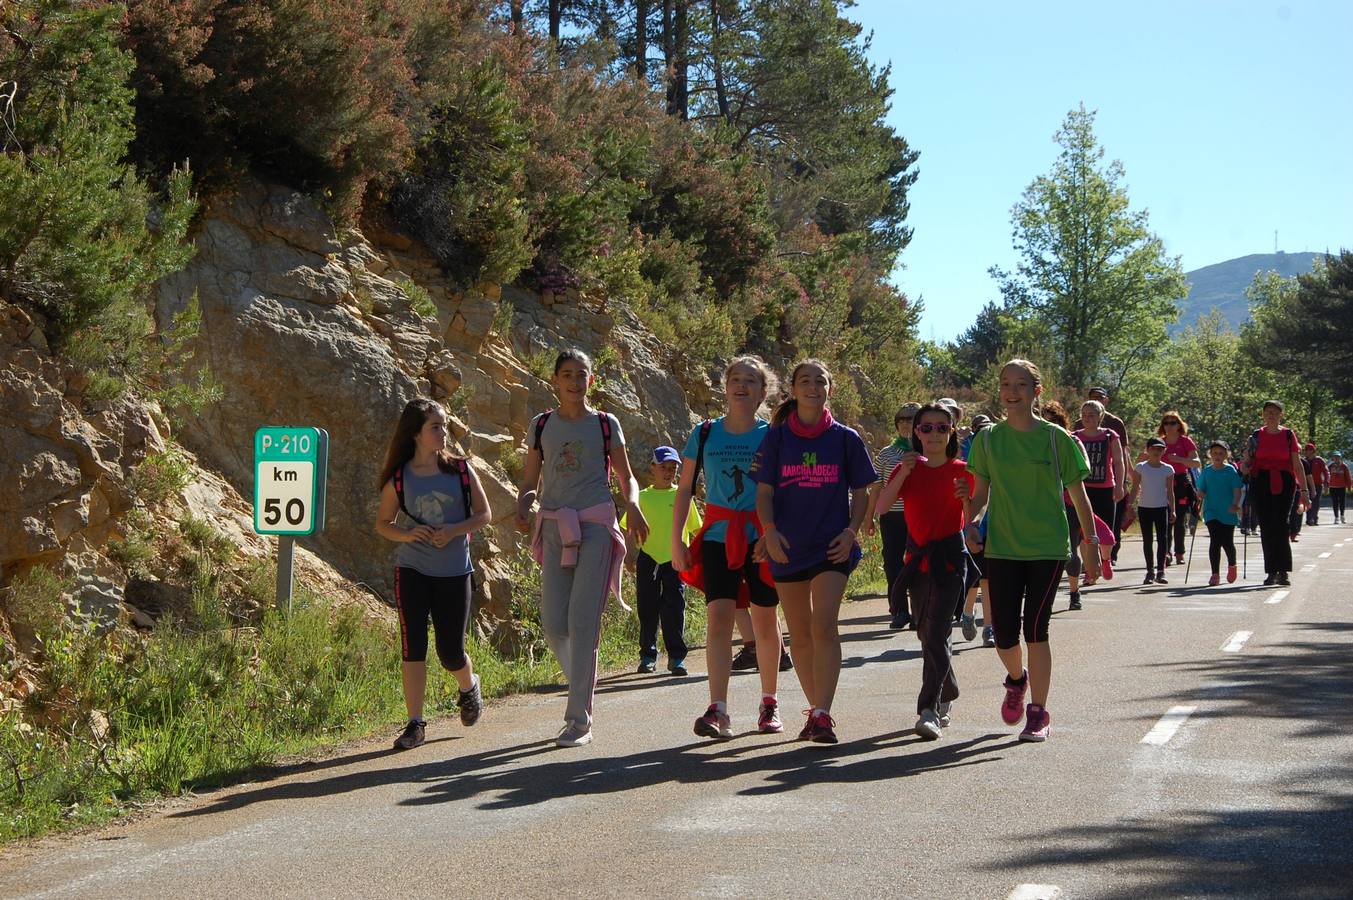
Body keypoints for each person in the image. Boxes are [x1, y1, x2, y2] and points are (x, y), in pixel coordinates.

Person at [516, 348, 648, 747]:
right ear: (555, 380)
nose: (575, 381)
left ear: (592, 381)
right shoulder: (541, 426)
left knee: (581, 622)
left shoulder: (606, 425)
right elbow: (529, 480)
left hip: (594, 527)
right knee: (554, 623)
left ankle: (579, 722)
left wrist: (634, 505)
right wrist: (524, 500)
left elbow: (627, 477)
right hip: (555, 526)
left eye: (582, 374)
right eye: (567, 374)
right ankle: (583, 683)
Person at [965, 359, 1100, 743]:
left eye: (1020, 384)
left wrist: (1090, 545)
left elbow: (1079, 497)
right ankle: (1016, 679)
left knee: (1036, 628)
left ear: (1036, 391)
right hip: (1002, 547)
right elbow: (979, 494)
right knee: (1004, 635)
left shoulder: (1057, 439)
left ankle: (1038, 712)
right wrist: (970, 523)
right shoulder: (988, 440)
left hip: (1047, 548)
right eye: (1006, 384)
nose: (1011, 391)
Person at [752, 359, 876, 745]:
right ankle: (816, 712)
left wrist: (851, 531)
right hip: (786, 546)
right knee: (800, 634)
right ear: (792, 390)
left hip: (830, 547)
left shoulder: (845, 438)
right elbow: (764, 493)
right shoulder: (776, 437)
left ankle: (822, 712)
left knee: (823, 625)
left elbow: (863, 491)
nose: (812, 387)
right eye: (804, 381)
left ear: (829, 390)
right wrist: (769, 532)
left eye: (819, 381)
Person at [674, 357, 788, 739]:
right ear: (725, 387)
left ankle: (769, 702)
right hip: (717, 536)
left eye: (751, 381)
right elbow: (685, 489)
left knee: (765, 622)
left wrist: (772, 534)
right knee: (719, 619)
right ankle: (717, 709)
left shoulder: (773, 434)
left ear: (763, 391)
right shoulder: (704, 433)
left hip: (760, 536)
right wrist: (677, 540)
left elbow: (783, 492)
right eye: (735, 379)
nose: (741, 385)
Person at [376, 399, 493, 750]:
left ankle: (468, 686)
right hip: (412, 568)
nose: (444, 433)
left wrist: (454, 530)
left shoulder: (459, 470)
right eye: (436, 427)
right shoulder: (399, 477)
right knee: (413, 647)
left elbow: (484, 514)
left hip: (455, 571)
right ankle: (414, 724)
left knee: (450, 652)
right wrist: (408, 534)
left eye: (444, 426)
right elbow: (383, 524)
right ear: (416, 434)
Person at [875, 402, 975, 740]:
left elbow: (975, 516)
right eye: (926, 427)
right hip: (917, 563)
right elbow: (881, 507)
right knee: (926, 633)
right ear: (915, 432)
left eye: (941, 427)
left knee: (935, 634)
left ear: (951, 432)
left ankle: (928, 709)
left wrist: (967, 499)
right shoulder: (908, 469)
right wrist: (902, 472)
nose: (934, 433)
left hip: (950, 561)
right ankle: (949, 690)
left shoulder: (964, 470)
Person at [623, 447, 700, 676]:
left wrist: (694, 557)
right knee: (647, 608)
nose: (669, 472)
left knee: (674, 608)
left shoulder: (682, 495)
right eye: (664, 467)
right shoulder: (642, 497)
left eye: (673, 468)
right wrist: (629, 554)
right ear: (652, 468)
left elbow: (695, 530)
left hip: (675, 560)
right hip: (649, 558)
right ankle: (648, 656)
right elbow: (629, 528)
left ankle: (676, 658)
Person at [865, 403, 920, 629]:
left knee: (918, 563)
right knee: (892, 563)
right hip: (892, 516)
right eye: (902, 419)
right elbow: (876, 488)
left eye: (912, 419)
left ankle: (919, 611)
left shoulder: (928, 451)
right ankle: (898, 610)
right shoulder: (886, 454)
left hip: (918, 515)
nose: (906, 423)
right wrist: (868, 518)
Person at [1241, 400, 1305, 586]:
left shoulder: (1287, 435)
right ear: (1263, 415)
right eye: (1268, 412)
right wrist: (1245, 466)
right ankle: (1271, 571)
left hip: (1284, 481)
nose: (1271, 415)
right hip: (1261, 481)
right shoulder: (1256, 435)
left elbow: (1296, 463)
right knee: (1266, 526)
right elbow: (1248, 460)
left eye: (1275, 412)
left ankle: (1283, 571)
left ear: (1280, 415)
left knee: (1280, 524)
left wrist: (1305, 490)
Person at [1042, 401, 1092, 610]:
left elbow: (1085, 466)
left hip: (1069, 503)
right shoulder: (1035, 440)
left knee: (1070, 549)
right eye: (1044, 418)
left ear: (1060, 420)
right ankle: (1045, 596)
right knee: (1044, 552)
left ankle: (1074, 592)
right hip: (1043, 502)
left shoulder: (1072, 440)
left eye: (1051, 419)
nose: (1047, 423)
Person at [1073, 400, 1126, 574]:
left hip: (1105, 489)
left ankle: (1105, 559)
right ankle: (1089, 570)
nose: (1087, 418)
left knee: (1105, 531)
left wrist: (1119, 486)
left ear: (1100, 417)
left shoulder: (1110, 435)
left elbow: (1118, 462)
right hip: (1082, 489)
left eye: (1091, 415)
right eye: (1084, 415)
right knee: (1083, 531)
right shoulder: (1074, 437)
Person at [1143, 412, 1201, 566]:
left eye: (1173, 422)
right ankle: (1165, 553)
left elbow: (1196, 463)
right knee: (1165, 519)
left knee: (1179, 518)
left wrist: (1180, 459)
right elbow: (1142, 459)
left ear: (1179, 425)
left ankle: (1179, 552)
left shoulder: (1185, 441)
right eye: (1166, 423)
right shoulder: (1158, 442)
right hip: (1160, 483)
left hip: (1181, 482)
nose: (1169, 426)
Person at [1087, 387, 1130, 562]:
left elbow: (1123, 455)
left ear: (1106, 400)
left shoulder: (1115, 424)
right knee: (1086, 523)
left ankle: (1109, 556)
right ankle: (1091, 558)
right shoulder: (1079, 424)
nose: (1096, 400)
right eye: (1092, 397)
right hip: (1085, 483)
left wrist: (1123, 483)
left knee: (1110, 522)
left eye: (1100, 397)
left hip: (1108, 482)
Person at [1196, 441, 1244, 585]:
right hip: (1211, 511)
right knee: (1215, 541)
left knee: (1227, 542)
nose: (1217, 456)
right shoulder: (1206, 471)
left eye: (1221, 453)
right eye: (1215, 453)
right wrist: (1200, 494)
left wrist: (1235, 504)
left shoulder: (1230, 470)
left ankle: (1232, 566)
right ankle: (1215, 574)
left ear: (1226, 455)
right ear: (1210, 455)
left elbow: (1237, 489)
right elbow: (1200, 489)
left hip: (1228, 510)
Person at [1130, 438, 1176, 585]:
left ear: (1164, 451)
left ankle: (1161, 571)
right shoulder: (1141, 467)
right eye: (1154, 449)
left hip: (1161, 508)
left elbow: (1170, 492)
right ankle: (1150, 571)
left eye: (1160, 449)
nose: (1157, 452)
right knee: (1147, 540)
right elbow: (1135, 488)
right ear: (1148, 450)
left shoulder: (1168, 469)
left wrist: (1173, 510)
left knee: (1163, 540)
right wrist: (1129, 505)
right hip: (1145, 508)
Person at [1302, 443, 1328, 526]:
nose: (1306, 452)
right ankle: (1309, 519)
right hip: (1306, 484)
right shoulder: (1304, 461)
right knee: (1308, 501)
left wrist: (1326, 482)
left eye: (1307, 450)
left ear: (1312, 451)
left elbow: (1325, 472)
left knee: (1316, 502)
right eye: (1305, 450)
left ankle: (1314, 518)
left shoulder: (1319, 460)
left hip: (1317, 484)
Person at [1328, 451, 1349, 524]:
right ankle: (1336, 517)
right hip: (1333, 487)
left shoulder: (1344, 466)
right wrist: (1326, 485)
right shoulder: (1330, 466)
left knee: (1342, 502)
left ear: (1340, 458)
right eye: (1335, 457)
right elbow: (1327, 476)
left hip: (1342, 487)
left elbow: (1348, 477)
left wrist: (1349, 486)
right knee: (1335, 502)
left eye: (1338, 457)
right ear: (1333, 458)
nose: (1336, 458)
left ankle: (1342, 516)